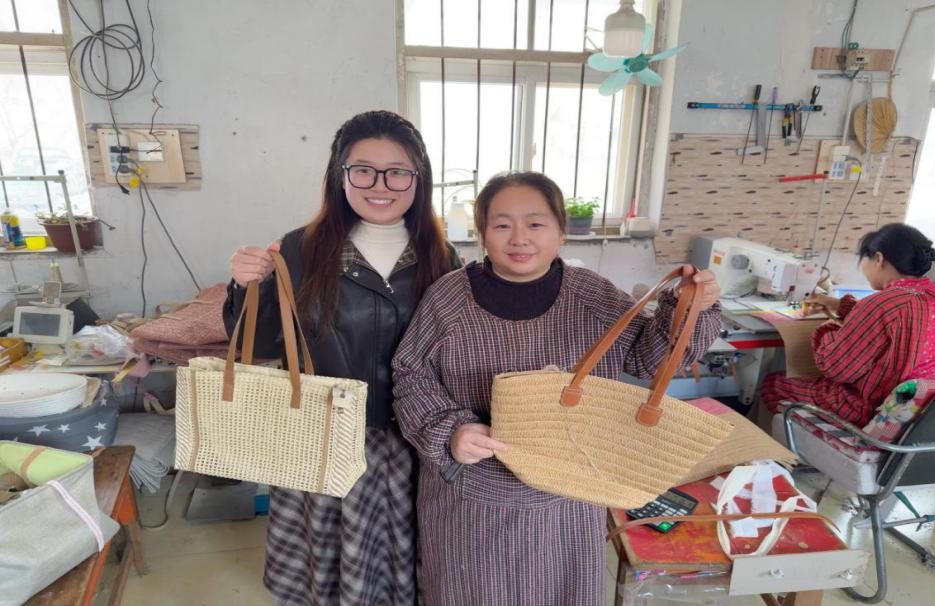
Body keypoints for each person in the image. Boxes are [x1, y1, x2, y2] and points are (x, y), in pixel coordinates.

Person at [391, 171, 721, 605]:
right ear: (482, 233)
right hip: (471, 500)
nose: (519, 238)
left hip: (568, 498)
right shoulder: (448, 299)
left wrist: (691, 307)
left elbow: (650, 359)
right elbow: (410, 375)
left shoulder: (592, 296)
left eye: (536, 223)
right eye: (502, 224)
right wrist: (450, 431)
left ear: (562, 233)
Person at [224, 110, 458, 605]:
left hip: (412, 443)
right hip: (322, 440)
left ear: (418, 178)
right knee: (332, 575)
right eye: (363, 170)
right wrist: (246, 286)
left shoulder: (442, 256)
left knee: (409, 572)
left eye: (397, 171)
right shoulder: (300, 250)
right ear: (340, 175)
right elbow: (259, 345)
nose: (381, 185)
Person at [762, 223, 935, 425]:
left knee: (774, 384)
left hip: (869, 410)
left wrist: (829, 325)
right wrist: (839, 305)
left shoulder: (883, 304)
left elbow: (835, 367)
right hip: (929, 417)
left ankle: (773, 444)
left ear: (878, 259)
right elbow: (902, 322)